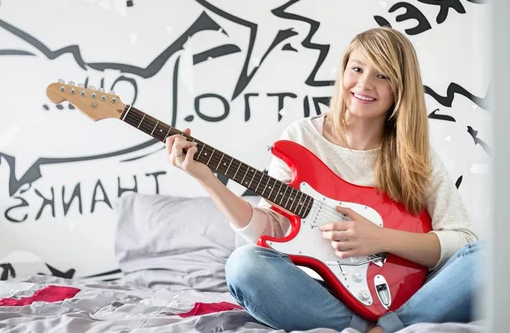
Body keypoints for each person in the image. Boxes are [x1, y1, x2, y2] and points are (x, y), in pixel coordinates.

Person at [165, 27, 481, 333]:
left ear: (400, 87)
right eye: (357, 69)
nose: (364, 84)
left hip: (411, 291)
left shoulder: (415, 152)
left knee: (490, 257)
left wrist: (380, 239)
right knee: (243, 265)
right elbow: (271, 228)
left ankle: (386, 327)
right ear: (343, 71)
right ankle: (365, 328)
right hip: (325, 293)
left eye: (382, 75)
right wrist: (208, 180)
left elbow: (464, 240)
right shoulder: (301, 137)